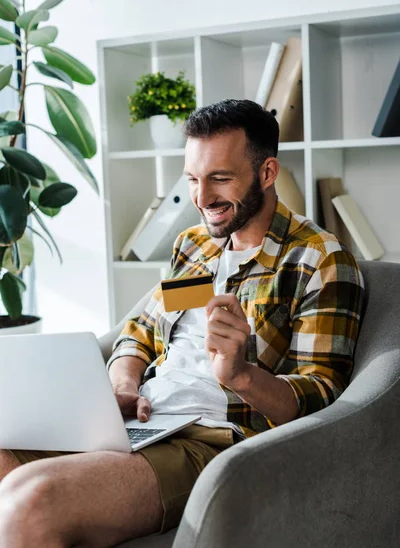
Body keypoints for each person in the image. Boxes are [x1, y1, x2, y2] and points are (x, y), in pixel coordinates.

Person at [0, 99, 364, 547]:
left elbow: (323, 398)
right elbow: (138, 331)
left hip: (211, 440)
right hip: (144, 420)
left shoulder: (318, 260)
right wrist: (124, 386)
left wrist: (240, 375)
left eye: (220, 179)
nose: (202, 197)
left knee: (30, 499)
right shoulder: (195, 247)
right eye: (192, 179)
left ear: (268, 173)